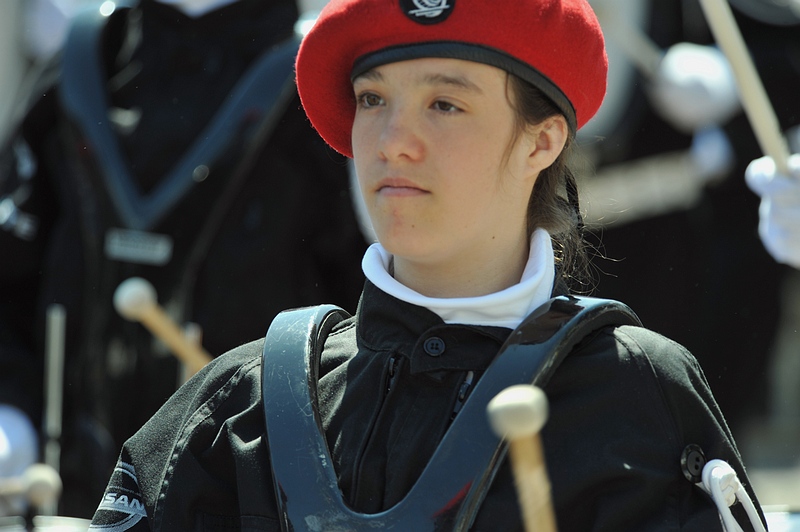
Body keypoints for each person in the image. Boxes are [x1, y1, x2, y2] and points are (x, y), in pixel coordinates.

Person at [89, 0, 766, 530]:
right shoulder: (239, 406)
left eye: (445, 104)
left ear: (543, 139)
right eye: (372, 99)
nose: (392, 143)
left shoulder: (636, 400)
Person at [0, 0, 367, 518]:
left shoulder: (327, 83)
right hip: (67, 483)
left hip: (253, 499)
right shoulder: (83, 60)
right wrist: (11, 413)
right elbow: (11, 276)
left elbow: (367, 319)